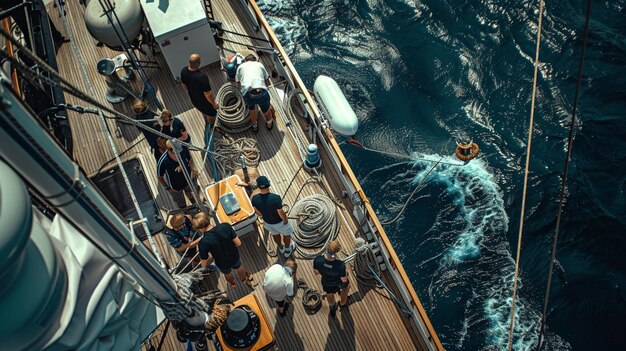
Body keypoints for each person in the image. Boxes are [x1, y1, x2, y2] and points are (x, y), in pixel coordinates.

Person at [193, 212, 255, 288]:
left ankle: (233, 283)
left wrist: (211, 259)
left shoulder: (203, 242)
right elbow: (238, 243)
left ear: (199, 229)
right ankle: (244, 279)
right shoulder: (225, 226)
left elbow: (204, 263)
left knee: (227, 274)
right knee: (239, 267)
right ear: (208, 220)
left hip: (221, 263)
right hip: (234, 256)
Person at [251, 176, 295, 258]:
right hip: (280, 222)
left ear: (258, 186)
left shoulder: (254, 199)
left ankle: (280, 247)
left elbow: (259, 214)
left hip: (268, 223)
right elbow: (280, 212)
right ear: (269, 184)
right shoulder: (276, 198)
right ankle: (288, 249)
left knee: (275, 234)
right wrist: (285, 219)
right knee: (286, 235)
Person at [235, 52, 275, 132]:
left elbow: (238, 84)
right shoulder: (259, 64)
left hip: (247, 93)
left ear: (246, 61)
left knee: (252, 109)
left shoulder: (240, 67)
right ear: (254, 60)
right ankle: (269, 124)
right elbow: (267, 81)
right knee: (266, 110)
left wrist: (242, 94)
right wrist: (270, 94)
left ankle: (254, 126)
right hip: (261, 91)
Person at [313, 240, 351, 318]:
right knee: (347, 287)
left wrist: (326, 270)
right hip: (339, 283)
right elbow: (344, 280)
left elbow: (316, 272)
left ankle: (332, 308)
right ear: (337, 252)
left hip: (327, 283)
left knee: (329, 294)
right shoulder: (340, 265)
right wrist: (346, 273)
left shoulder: (318, 260)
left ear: (327, 248)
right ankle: (343, 303)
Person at [180, 54, 220, 127]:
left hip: (194, 99)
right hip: (204, 102)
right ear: (198, 63)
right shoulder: (202, 76)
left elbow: (184, 86)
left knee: (205, 111)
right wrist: (214, 105)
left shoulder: (183, 71)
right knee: (211, 114)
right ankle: (213, 125)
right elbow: (208, 94)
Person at [157, 140, 198, 209]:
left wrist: (193, 169)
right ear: (169, 150)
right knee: (181, 204)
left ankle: (195, 206)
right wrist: (168, 188)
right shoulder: (163, 161)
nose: (179, 155)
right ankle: (186, 212)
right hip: (175, 187)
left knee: (190, 193)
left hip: (188, 179)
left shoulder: (183, 149)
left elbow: (189, 159)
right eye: (176, 153)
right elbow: (159, 176)